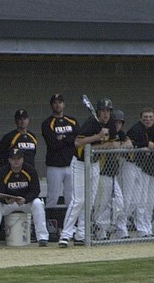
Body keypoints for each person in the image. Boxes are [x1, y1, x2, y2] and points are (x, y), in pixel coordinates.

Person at [59, 98, 119, 248]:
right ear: (98, 112)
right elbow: (78, 143)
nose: (105, 114)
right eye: (103, 111)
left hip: (94, 164)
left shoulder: (111, 123)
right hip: (79, 164)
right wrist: (98, 137)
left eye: (108, 111)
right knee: (78, 200)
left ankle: (81, 234)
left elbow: (114, 143)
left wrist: (96, 146)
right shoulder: (91, 123)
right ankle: (65, 235)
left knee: (90, 201)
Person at [0, 148, 49, 248]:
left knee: (37, 203)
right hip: (9, 203)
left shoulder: (30, 170)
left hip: (25, 202)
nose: (16, 161)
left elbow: (36, 190)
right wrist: (5, 200)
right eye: (13, 159)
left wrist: (26, 199)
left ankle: (42, 237)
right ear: (9, 160)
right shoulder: (3, 171)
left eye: (18, 158)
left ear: (22, 159)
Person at [93, 110, 131, 240]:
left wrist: (117, 146)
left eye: (120, 123)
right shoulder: (105, 132)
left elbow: (129, 144)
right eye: (115, 122)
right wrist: (113, 146)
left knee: (119, 203)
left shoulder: (120, 134)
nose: (117, 125)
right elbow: (104, 146)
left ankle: (102, 226)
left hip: (114, 174)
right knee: (101, 204)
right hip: (102, 172)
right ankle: (100, 232)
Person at [41, 94, 78, 206]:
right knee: (52, 197)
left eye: (60, 102)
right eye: (55, 102)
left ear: (64, 104)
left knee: (71, 198)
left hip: (71, 164)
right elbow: (53, 143)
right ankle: (49, 222)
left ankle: (70, 224)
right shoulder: (47, 123)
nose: (58, 105)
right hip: (54, 166)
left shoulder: (72, 121)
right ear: (52, 105)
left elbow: (78, 139)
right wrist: (70, 140)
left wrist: (64, 137)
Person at [123, 107, 154, 237]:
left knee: (149, 201)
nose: (148, 120)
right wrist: (147, 144)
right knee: (133, 200)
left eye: (151, 117)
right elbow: (129, 144)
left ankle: (147, 229)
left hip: (148, 169)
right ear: (140, 118)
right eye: (145, 117)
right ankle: (133, 228)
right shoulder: (136, 129)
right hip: (134, 166)